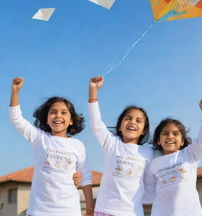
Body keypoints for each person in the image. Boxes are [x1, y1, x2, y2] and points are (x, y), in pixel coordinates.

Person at [9, 77, 94, 216]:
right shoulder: (39, 138)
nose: (58, 116)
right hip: (39, 211)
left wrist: (90, 206)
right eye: (53, 112)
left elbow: (85, 177)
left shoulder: (78, 146)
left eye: (63, 112)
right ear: (47, 119)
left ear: (71, 120)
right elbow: (16, 119)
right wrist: (15, 91)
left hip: (69, 211)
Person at [88, 76, 154, 216]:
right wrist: (93, 90)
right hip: (105, 210)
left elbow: (150, 184)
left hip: (132, 213)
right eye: (128, 118)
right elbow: (96, 124)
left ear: (144, 130)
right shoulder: (112, 144)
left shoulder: (149, 152)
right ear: (120, 126)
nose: (132, 122)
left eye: (138, 120)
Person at [150, 99, 202, 216]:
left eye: (175, 133)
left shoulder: (189, 155)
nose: (170, 136)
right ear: (158, 140)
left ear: (182, 141)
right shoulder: (154, 163)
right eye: (165, 133)